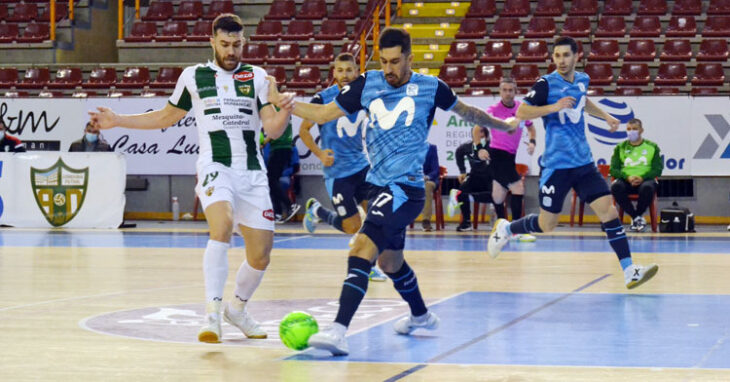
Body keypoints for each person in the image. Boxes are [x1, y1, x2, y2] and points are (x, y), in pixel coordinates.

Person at [268, 27, 518, 355]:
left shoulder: (431, 87)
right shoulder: (367, 83)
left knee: (361, 246)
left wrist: (505, 124)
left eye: (395, 61)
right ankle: (421, 315)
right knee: (389, 262)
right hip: (379, 185)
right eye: (383, 61)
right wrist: (285, 103)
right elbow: (323, 113)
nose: (388, 69)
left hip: (406, 188)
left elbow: (467, 112)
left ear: (410, 58)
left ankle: (338, 331)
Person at [88, 14, 295, 343]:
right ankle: (212, 313)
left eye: (237, 45)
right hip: (216, 166)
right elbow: (166, 116)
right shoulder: (193, 76)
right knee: (222, 226)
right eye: (225, 44)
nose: (231, 51)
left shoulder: (258, 77)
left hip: (252, 172)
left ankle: (237, 310)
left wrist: (283, 107)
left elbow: (272, 128)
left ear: (245, 43)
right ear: (212, 41)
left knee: (261, 255)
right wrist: (118, 120)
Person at [487, 36, 658, 290]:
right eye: (557, 56)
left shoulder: (582, 80)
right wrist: (553, 107)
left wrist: (606, 116)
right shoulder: (545, 84)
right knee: (548, 224)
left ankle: (629, 270)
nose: (561, 60)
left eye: (566, 55)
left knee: (609, 212)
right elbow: (521, 112)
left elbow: (582, 101)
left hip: (584, 163)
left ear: (577, 56)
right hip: (557, 166)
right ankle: (508, 228)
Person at [299, 53, 387, 282]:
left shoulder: (365, 97)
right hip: (338, 174)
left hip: (362, 168)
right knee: (351, 227)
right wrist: (319, 153)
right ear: (334, 72)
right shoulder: (323, 99)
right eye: (340, 70)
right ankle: (317, 211)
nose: (345, 75)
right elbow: (304, 130)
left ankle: (369, 266)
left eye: (349, 70)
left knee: (377, 218)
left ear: (357, 72)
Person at [486, 77, 537, 242]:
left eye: (511, 90)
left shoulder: (522, 110)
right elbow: (478, 128)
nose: (507, 93)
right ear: (500, 92)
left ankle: (502, 229)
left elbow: (531, 127)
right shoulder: (493, 110)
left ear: (516, 92)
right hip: (497, 153)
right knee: (518, 188)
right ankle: (515, 229)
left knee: (498, 196)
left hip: (510, 155)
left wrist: (532, 142)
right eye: (504, 90)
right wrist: (478, 148)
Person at [609, 118, 663, 232]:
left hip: (645, 180)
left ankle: (636, 216)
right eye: (628, 129)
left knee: (647, 188)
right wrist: (627, 177)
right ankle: (636, 217)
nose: (631, 131)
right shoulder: (620, 147)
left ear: (641, 130)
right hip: (626, 180)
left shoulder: (652, 147)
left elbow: (658, 169)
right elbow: (613, 169)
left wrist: (642, 177)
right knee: (616, 187)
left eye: (634, 129)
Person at [448, 125, 494, 232]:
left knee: (496, 196)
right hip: (474, 176)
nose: (480, 134)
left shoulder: (492, 146)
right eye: (477, 132)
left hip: (490, 178)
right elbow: (459, 152)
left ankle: (499, 220)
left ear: (486, 134)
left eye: (482, 132)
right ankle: (466, 222)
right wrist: (462, 171)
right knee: (461, 192)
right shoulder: (467, 147)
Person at [263, 119, 300, 223]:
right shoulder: (283, 109)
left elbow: (275, 130)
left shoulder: (278, 109)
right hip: (280, 147)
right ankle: (277, 213)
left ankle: (290, 205)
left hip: (280, 148)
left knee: (271, 180)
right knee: (272, 182)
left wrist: (264, 142)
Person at [420, 143, 440, 231]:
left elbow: (435, 170)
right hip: (412, 179)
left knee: (427, 186)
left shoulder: (431, 148)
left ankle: (426, 220)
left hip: (428, 179)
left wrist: (427, 177)